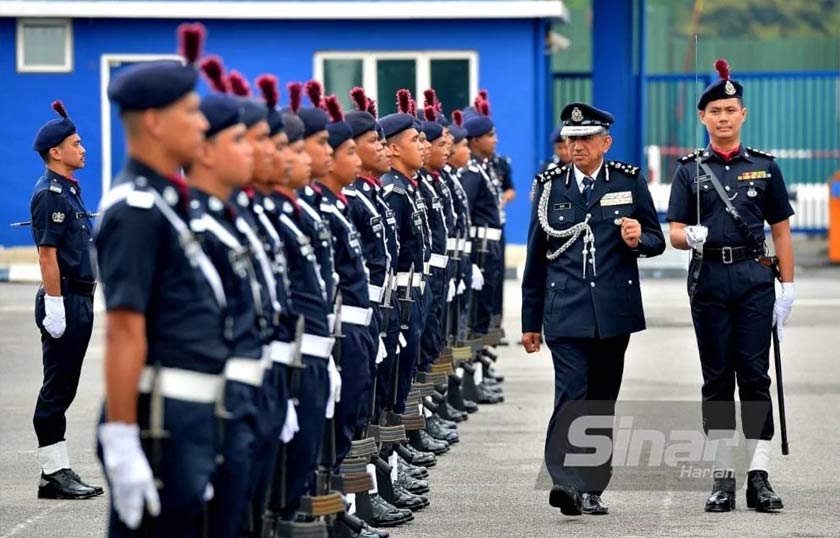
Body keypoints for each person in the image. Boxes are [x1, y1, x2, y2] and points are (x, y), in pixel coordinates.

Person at [95, 23, 227, 536]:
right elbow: (124, 328)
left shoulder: (169, 201)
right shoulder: (135, 209)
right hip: (159, 423)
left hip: (188, 417)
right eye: (191, 113)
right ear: (153, 121)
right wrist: (123, 438)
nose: (201, 125)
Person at [521, 102, 665, 516]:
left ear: (606, 142)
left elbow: (655, 238)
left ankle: (592, 487)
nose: (576, 146)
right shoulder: (549, 186)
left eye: (585, 139)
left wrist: (640, 239)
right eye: (571, 139)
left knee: (601, 401)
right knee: (571, 396)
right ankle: (565, 481)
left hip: (612, 313)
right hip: (564, 310)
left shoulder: (628, 182)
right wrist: (530, 322)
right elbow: (535, 259)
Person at [666, 59, 794, 513]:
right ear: (703, 117)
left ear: (743, 115)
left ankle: (759, 475)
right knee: (717, 379)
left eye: (730, 109)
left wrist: (789, 287)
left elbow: (780, 230)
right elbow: (674, 230)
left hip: (755, 280)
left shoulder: (765, 167)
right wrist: (688, 238)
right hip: (709, 282)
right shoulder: (689, 170)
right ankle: (722, 476)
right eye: (714, 110)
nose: (722, 117)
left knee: (756, 377)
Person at [30, 100, 103, 499]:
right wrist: (55, 305)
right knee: (57, 388)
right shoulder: (49, 194)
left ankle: (58, 470)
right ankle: (52, 473)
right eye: (76, 143)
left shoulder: (69, 192)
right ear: (56, 152)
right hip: (66, 300)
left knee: (67, 386)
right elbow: (47, 254)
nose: (83, 148)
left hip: (80, 298)